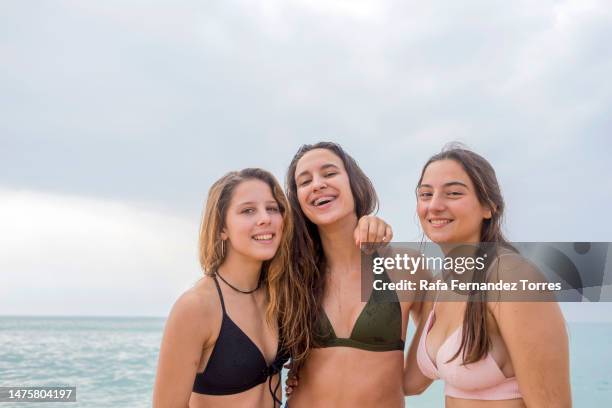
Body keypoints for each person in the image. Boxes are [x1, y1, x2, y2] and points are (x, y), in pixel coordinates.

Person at [403, 145, 571, 407]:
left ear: (488, 207)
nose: (434, 205)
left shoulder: (511, 277)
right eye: (425, 194)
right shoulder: (440, 286)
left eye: (454, 193)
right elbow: (410, 383)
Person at [282, 142, 425, 407]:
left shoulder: (407, 266)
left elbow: (448, 336)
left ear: (353, 183)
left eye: (329, 173)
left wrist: (406, 380)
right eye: (304, 181)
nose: (317, 184)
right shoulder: (292, 275)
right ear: (298, 200)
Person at [153, 168, 292, 408]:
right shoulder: (196, 307)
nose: (265, 218)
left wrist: (373, 238)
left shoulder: (280, 294)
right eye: (248, 210)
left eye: (272, 208)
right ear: (222, 228)